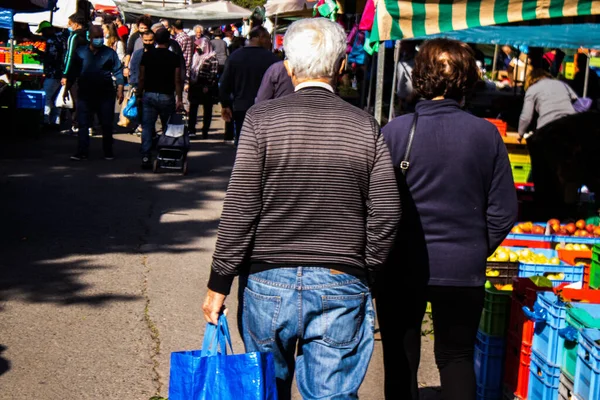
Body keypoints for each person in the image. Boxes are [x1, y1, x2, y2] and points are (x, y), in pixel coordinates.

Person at [202, 17, 401, 399]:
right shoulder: (364, 126)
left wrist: (218, 284)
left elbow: (241, 207)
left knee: (264, 390)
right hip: (341, 278)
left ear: (289, 68)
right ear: (341, 67)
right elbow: (387, 212)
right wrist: (365, 266)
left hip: (266, 281)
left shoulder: (260, 120)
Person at [378, 38, 517, 400]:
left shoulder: (394, 132)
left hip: (402, 266)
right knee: (457, 359)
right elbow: (504, 210)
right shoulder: (486, 134)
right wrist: (473, 247)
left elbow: (376, 203)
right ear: (467, 79)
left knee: (400, 360)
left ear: (420, 77)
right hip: (463, 268)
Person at [64, 25, 125, 161]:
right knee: (83, 123)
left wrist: (120, 89)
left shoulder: (110, 53)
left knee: (106, 123)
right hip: (85, 93)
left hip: (105, 93)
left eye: (100, 37)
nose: (99, 40)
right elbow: (72, 73)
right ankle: (82, 151)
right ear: (89, 37)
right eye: (96, 37)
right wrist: (66, 90)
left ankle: (108, 151)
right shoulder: (80, 53)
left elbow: (118, 71)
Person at [218, 26, 279, 145]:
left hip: (241, 106)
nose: (270, 41)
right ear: (260, 38)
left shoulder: (235, 56)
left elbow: (225, 83)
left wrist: (225, 104)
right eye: (268, 38)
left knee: (243, 143)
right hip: (266, 108)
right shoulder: (272, 59)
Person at [137, 28, 183, 169]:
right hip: (166, 95)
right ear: (169, 40)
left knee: (147, 127)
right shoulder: (173, 57)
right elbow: (177, 80)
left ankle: (146, 156)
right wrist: (179, 99)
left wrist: (139, 93)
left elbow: (142, 77)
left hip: (149, 94)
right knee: (167, 128)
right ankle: (167, 155)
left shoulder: (147, 55)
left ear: (155, 40)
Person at [518, 68, 578, 140]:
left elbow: (526, 117)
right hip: (570, 125)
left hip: (547, 128)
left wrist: (520, 134)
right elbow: (576, 100)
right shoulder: (562, 84)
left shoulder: (532, 89)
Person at [35, 20, 66, 129]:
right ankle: (55, 121)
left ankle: (46, 120)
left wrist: (40, 55)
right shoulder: (61, 38)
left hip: (53, 73)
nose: (42, 34)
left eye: (43, 31)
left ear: (48, 30)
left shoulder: (51, 41)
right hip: (61, 73)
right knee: (57, 99)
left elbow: (52, 57)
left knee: (47, 97)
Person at [61, 13, 88, 135]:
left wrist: (65, 74)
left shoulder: (74, 36)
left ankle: (76, 125)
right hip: (88, 72)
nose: (68, 26)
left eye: (70, 24)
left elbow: (69, 55)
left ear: (76, 24)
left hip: (75, 73)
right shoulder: (89, 34)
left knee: (74, 99)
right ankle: (87, 125)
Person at [186, 37, 218, 138]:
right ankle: (191, 130)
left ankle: (205, 131)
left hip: (206, 87)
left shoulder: (212, 58)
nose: (198, 47)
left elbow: (213, 74)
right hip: (195, 85)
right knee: (193, 108)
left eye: (199, 45)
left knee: (207, 109)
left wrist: (208, 85)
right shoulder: (196, 56)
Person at [123, 14, 152, 79]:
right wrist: (126, 67)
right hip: (136, 67)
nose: (143, 30)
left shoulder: (152, 36)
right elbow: (128, 52)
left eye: (145, 28)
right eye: (141, 28)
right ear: (138, 27)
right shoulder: (134, 37)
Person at [396, 40, 417, 114]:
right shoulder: (402, 58)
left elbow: (422, 80)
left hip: (413, 101)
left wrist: (412, 96)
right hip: (403, 101)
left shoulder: (418, 60)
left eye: (403, 43)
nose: (400, 45)